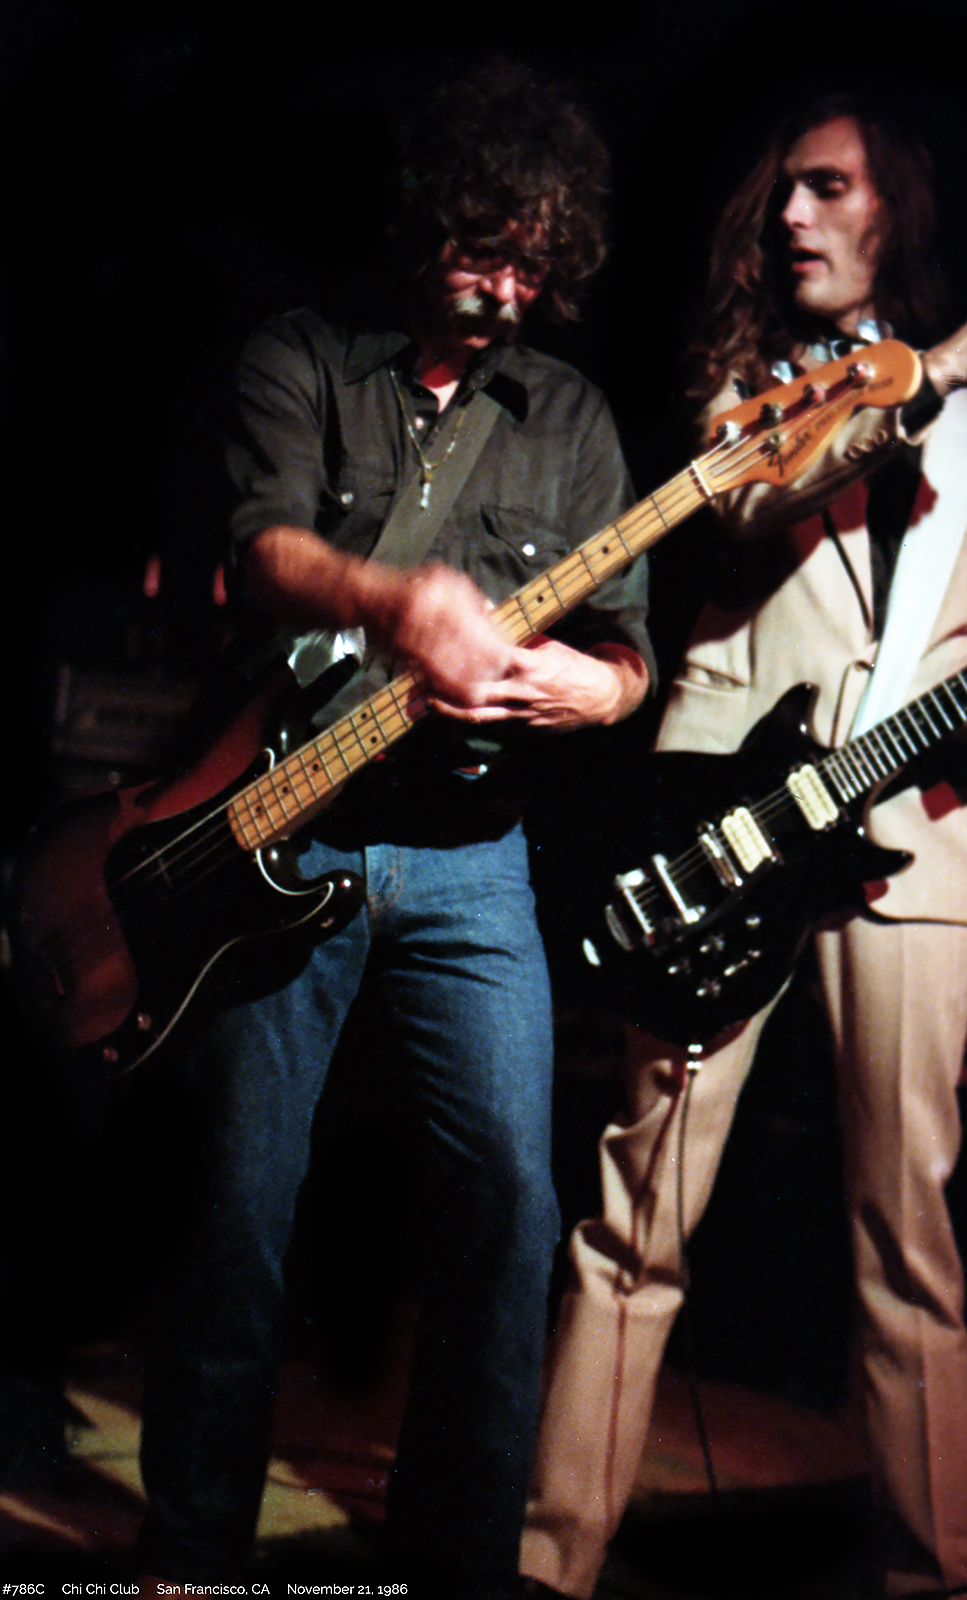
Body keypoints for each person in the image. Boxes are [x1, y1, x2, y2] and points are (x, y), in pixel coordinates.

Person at [519, 94, 967, 1599]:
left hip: (920, 837)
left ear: (895, 200)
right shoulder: (753, 380)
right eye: (778, 192)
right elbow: (757, 491)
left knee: (910, 1247)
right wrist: (938, 366)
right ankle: (547, 1565)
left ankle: (937, 1575)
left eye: (825, 187)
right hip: (726, 825)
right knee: (636, 1221)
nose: (788, 217)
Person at [130, 62, 652, 1600]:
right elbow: (262, 550)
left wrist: (597, 691)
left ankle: (459, 1565)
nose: (505, 292)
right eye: (482, 253)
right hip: (287, 835)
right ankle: (188, 1553)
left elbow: (628, 652)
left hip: (475, 861)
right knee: (238, 1209)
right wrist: (394, 599)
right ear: (427, 225)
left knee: (508, 1206)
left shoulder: (572, 420)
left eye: (533, 267)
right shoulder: (305, 356)